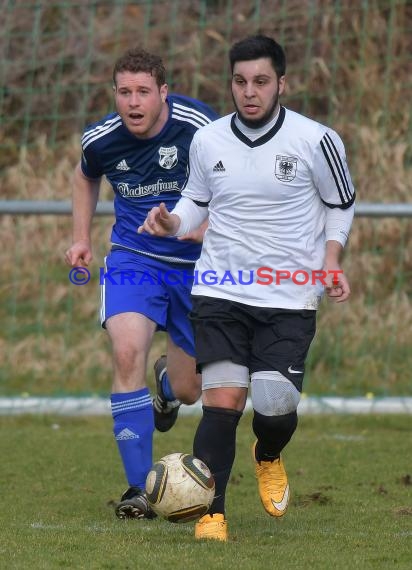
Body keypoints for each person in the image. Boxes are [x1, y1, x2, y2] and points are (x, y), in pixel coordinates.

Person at [138, 35, 355, 540]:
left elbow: (340, 204)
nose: (249, 92)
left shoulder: (316, 139)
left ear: (282, 82)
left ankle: (269, 452)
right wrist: (173, 222)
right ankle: (212, 512)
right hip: (221, 289)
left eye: (260, 81)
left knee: (275, 406)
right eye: (240, 82)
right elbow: (196, 201)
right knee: (224, 400)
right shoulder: (209, 139)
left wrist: (331, 262)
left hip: (288, 295)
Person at [65, 47, 219, 520]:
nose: (133, 102)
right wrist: (80, 239)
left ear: (163, 93)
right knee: (127, 350)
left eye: (143, 92)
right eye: (124, 92)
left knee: (192, 390)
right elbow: (84, 177)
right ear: (115, 93)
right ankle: (138, 489)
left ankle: (168, 389)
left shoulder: (200, 127)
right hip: (134, 259)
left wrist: (204, 225)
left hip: (196, 266)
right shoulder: (102, 139)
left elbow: (233, 183)